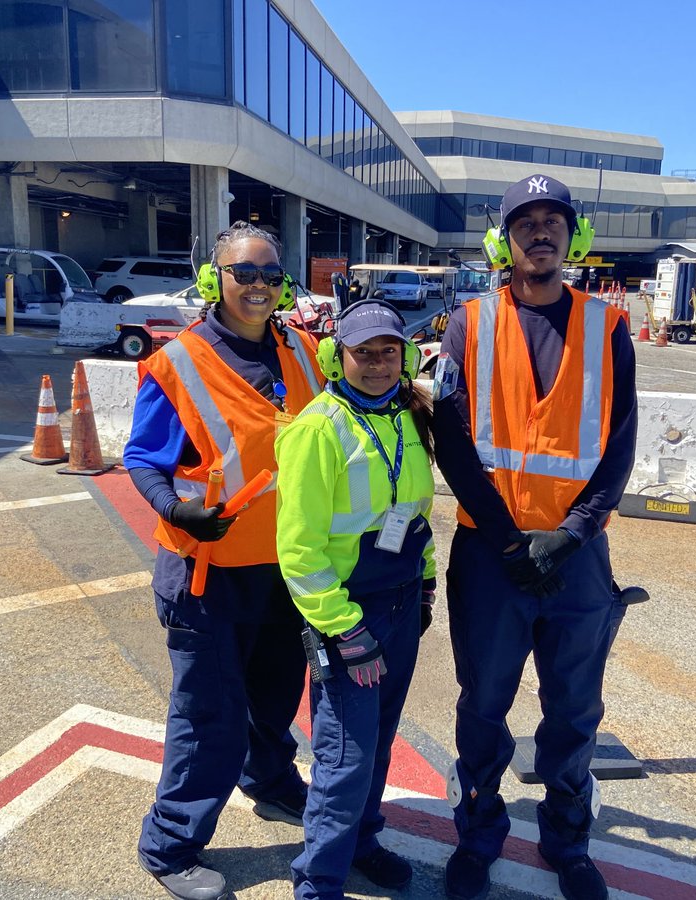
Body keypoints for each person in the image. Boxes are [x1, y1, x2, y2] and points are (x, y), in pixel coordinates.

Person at [431, 175, 638, 900]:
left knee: (574, 709)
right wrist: (510, 541)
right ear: (504, 239)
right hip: (492, 556)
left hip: (577, 558)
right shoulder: (468, 323)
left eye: (554, 221)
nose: (540, 232)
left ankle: (567, 842)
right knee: (483, 705)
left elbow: (619, 445)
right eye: (526, 222)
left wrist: (573, 534)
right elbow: (451, 440)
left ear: (572, 237)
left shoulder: (609, 326)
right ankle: (479, 834)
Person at [126, 221, 325, 900]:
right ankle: (171, 844)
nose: (260, 285)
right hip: (206, 573)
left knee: (274, 697)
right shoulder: (177, 362)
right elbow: (144, 458)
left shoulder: (301, 349)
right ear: (217, 279)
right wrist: (174, 508)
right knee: (208, 714)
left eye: (272, 274)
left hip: (282, 567)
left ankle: (269, 780)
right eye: (245, 273)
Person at [274, 299, 437, 900]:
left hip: (399, 606)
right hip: (349, 616)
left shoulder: (405, 418)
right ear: (335, 357)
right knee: (344, 758)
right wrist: (344, 629)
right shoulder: (317, 429)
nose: (375, 364)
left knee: (379, 740)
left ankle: (363, 842)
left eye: (387, 352)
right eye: (362, 353)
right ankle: (318, 881)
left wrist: (425, 580)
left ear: (406, 356)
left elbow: (414, 513)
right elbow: (299, 549)